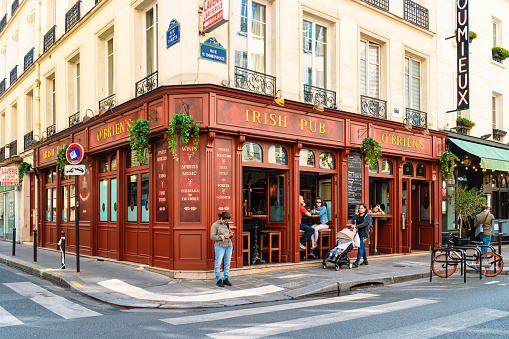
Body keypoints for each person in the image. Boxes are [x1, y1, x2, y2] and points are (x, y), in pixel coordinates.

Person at [210, 212, 234, 287]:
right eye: (225, 221)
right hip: (220, 246)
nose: (226, 222)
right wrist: (223, 236)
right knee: (218, 263)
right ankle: (218, 279)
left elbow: (229, 232)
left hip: (229, 245)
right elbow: (212, 237)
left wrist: (230, 235)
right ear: (221, 218)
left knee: (227, 263)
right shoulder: (215, 225)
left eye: (227, 221)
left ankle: (226, 278)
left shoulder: (227, 224)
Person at [352, 203, 372, 267]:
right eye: (359, 208)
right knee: (362, 246)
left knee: (360, 246)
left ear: (365, 209)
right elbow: (352, 222)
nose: (360, 209)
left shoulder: (367, 216)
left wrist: (357, 226)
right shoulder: (358, 215)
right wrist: (355, 215)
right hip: (358, 233)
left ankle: (357, 261)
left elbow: (365, 224)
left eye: (361, 208)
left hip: (364, 234)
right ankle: (365, 260)